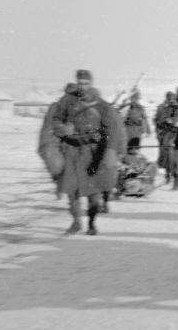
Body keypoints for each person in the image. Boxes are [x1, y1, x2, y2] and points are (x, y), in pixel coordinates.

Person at [44, 70, 121, 235]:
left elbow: (109, 130)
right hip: (72, 151)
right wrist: (63, 129)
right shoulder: (67, 101)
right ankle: (76, 222)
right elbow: (55, 119)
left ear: (91, 84)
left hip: (92, 152)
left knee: (94, 192)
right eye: (80, 83)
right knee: (73, 190)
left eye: (86, 83)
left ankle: (92, 223)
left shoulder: (102, 105)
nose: (82, 86)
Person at [153, 91, 178, 181]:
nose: (171, 100)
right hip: (166, 134)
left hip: (175, 134)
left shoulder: (177, 107)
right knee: (167, 154)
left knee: (174, 155)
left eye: (172, 98)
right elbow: (158, 120)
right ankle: (169, 173)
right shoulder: (162, 107)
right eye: (169, 98)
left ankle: (175, 174)